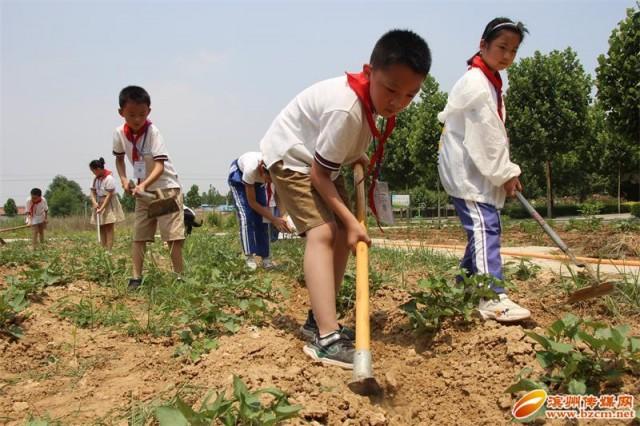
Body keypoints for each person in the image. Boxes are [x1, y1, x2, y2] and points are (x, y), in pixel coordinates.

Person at [260, 29, 431, 368]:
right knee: (324, 232)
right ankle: (326, 339)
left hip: (316, 163)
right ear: (369, 73)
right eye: (391, 89)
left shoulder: (368, 105)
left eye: (410, 95)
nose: (397, 102)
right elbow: (318, 175)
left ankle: (317, 320)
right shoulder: (348, 109)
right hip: (292, 158)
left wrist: (357, 155)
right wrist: (353, 221)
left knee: (339, 232)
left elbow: (338, 151)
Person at [437, 17, 531, 322]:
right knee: (484, 227)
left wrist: (505, 171)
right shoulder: (478, 84)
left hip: (475, 172)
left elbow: (493, 136)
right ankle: (491, 297)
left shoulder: (489, 82)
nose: (507, 55)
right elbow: (486, 137)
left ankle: (462, 292)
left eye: (513, 51)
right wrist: (505, 172)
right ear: (483, 45)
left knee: (483, 228)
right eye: (502, 47)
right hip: (468, 173)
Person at [112, 85, 185, 290]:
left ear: (149, 112)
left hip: (166, 189)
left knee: (172, 236)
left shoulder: (153, 132)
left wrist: (142, 184)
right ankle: (136, 278)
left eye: (142, 114)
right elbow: (119, 160)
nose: (137, 119)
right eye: (132, 114)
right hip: (143, 192)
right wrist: (124, 179)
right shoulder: (119, 134)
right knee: (139, 235)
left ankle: (179, 277)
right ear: (121, 113)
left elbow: (160, 167)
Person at [228, 151, 291, 270]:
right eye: (269, 179)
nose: (270, 182)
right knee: (246, 216)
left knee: (264, 219)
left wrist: (281, 216)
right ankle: (249, 257)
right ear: (263, 171)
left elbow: (278, 194)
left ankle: (266, 257)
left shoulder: (277, 171)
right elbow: (252, 203)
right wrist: (274, 219)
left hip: (257, 182)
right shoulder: (251, 169)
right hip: (239, 178)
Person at [89, 157, 125, 251]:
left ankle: (109, 250)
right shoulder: (95, 179)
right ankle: (103, 247)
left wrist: (102, 208)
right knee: (101, 226)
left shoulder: (109, 178)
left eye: (93, 171)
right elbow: (92, 192)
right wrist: (94, 202)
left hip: (108, 203)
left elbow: (109, 195)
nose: (93, 173)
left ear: (98, 169)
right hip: (98, 202)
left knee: (109, 226)